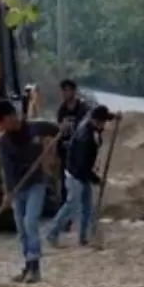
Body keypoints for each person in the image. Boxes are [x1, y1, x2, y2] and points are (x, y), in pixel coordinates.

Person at [47, 105, 118, 248]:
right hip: (75, 175)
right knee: (72, 205)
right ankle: (52, 233)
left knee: (87, 207)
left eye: (104, 122)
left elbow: (105, 115)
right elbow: (82, 166)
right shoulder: (85, 138)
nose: (103, 125)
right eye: (102, 122)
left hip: (82, 174)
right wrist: (98, 180)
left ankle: (84, 238)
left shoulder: (92, 124)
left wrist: (116, 117)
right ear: (95, 121)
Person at [0, 100, 48, 283]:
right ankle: (28, 265)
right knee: (22, 229)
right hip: (17, 188)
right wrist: (7, 192)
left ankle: (36, 268)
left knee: (30, 221)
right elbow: (6, 169)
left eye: (2, 122)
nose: (0, 127)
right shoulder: (3, 140)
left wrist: (63, 130)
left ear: (10, 118)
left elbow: (58, 130)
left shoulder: (34, 128)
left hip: (36, 183)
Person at [55, 79, 91, 229]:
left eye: (67, 90)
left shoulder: (82, 109)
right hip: (65, 153)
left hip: (80, 154)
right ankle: (65, 222)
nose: (65, 93)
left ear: (73, 91)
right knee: (65, 188)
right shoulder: (61, 110)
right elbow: (58, 131)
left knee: (83, 187)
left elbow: (89, 125)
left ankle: (84, 222)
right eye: (63, 90)